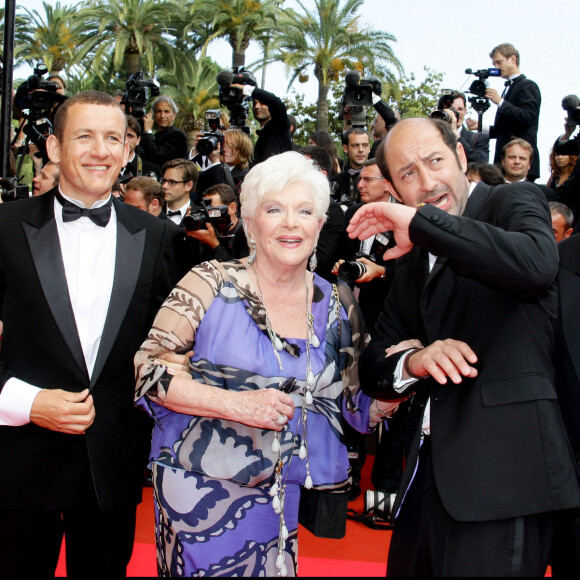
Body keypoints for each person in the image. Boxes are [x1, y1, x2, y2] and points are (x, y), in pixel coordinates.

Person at [134, 150, 394, 577]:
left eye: (305, 211)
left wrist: (405, 377)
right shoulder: (209, 282)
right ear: (251, 225)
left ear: (318, 225)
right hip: (201, 492)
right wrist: (236, 405)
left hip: (285, 496)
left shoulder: (336, 302)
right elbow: (148, 371)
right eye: (275, 210)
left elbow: (356, 401)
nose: (291, 223)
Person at [348, 117, 580, 576]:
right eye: (408, 174)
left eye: (434, 161)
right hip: (424, 483)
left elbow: (535, 264)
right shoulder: (412, 260)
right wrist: (414, 361)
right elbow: (375, 364)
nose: (428, 182)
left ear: (459, 157)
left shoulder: (513, 200)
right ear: (394, 189)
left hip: (504, 479)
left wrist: (424, 225)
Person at [0, 91, 176, 576]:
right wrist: (27, 403)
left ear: (127, 151)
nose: (100, 150)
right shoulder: (4, 227)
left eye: (113, 138)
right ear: (55, 148)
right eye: (84, 136)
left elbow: (168, 344)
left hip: (112, 467)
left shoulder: (157, 236)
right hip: (17, 461)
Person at [472, 43, 541, 181]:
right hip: (502, 163)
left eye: (499, 62)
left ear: (513, 59)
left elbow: (526, 117)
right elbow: (502, 130)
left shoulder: (528, 86)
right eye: (494, 63)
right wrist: (479, 126)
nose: (496, 67)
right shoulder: (508, 88)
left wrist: (500, 102)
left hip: (521, 161)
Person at [232, 84, 292, 165]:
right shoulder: (264, 132)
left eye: (262, 103)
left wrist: (245, 88)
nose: (257, 106)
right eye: (254, 103)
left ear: (270, 107)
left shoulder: (279, 125)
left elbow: (276, 102)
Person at [438, 90, 489, 163]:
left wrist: (456, 135)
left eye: (460, 109)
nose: (456, 113)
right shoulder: (433, 137)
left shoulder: (479, 139)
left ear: (465, 111)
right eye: (451, 109)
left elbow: (482, 164)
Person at [140, 96, 189, 166]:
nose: (162, 116)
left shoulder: (177, 136)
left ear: (174, 115)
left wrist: (148, 131)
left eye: (167, 111)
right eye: (158, 111)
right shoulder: (158, 134)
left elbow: (157, 157)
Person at [330, 128, 371, 208]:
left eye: (365, 145)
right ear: (345, 148)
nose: (361, 150)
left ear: (369, 148)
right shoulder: (335, 181)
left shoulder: (380, 179)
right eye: (355, 145)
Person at [222, 128, 253, 194]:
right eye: (223, 145)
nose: (224, 149)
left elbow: (230, 197)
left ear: (242, 150)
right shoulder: (216, 167)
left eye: (231, 146)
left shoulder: (245, 177)